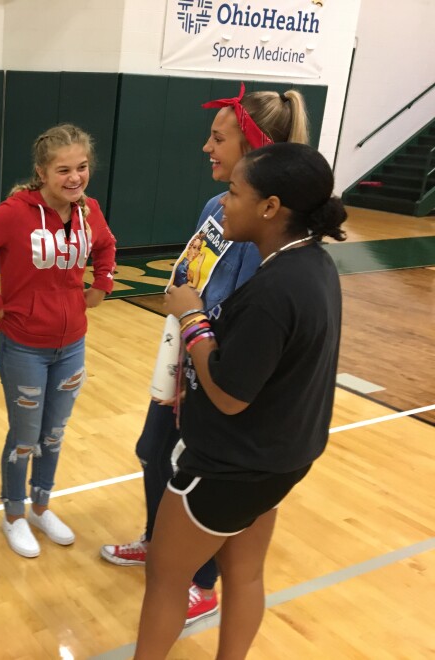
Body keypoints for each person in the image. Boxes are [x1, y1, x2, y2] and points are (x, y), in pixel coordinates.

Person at [101, 83, 310, 626]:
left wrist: (194, 318)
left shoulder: (265, 234)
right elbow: (195, 280)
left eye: (218, 137)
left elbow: (237, 317)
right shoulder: (213, 208)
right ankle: (158, 540)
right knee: (153, 450)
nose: (206, 147)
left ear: (256, 151)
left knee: (201, 477)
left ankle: (200, 582)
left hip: (213, 367)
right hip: (181, 354)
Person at [133, 141, 346, 658]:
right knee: (245, 574)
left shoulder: (275, 291)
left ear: (270, 207)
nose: (223, 202)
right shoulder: (315, 267)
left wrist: (192, 317)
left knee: (165, 575)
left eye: (234, 192)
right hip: (282, 459)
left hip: (229, 465)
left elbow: (228, 395)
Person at [0, 124, 117, 558]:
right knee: (25, 437)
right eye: (64, 170)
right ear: (42, 172)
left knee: (54, 435)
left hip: (72, 346)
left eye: (82, 168)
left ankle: (41, 506)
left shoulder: (89, 211)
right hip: (23, 347)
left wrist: (103, 283)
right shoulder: (16, 212)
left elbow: (106, 245)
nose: (75, 178)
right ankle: (13, 515)